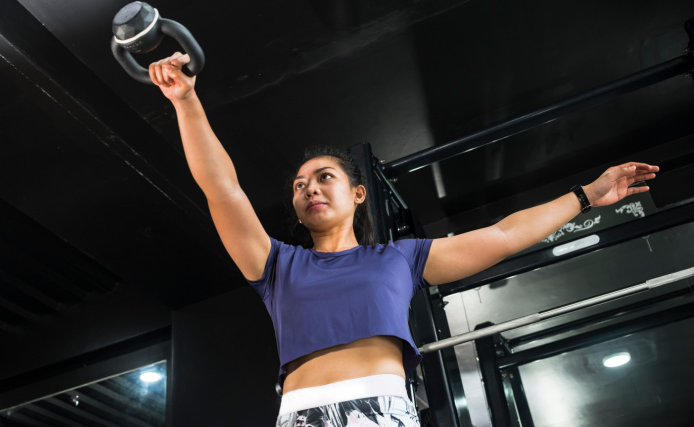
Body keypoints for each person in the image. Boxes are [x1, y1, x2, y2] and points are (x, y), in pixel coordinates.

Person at [149, 52, 659, 427]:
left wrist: (587, 195)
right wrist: (187, 101)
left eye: (324, 177)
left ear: (358, 193)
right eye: (300, 187)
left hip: (383, 410)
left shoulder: (401, 257)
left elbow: (503, 235)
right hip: (300, 416)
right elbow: (222, 188)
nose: (309, 188)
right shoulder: (276, 265)